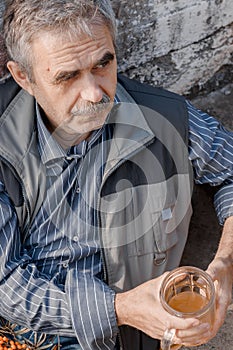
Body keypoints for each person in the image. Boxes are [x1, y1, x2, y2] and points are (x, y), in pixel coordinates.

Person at [0, 0, 232, 349]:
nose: (95, 93)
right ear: (23, 76)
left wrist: (224, 267)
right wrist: (119, 308)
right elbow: (6, 283)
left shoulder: (169, 118)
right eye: (68, 76)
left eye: (103, 64)